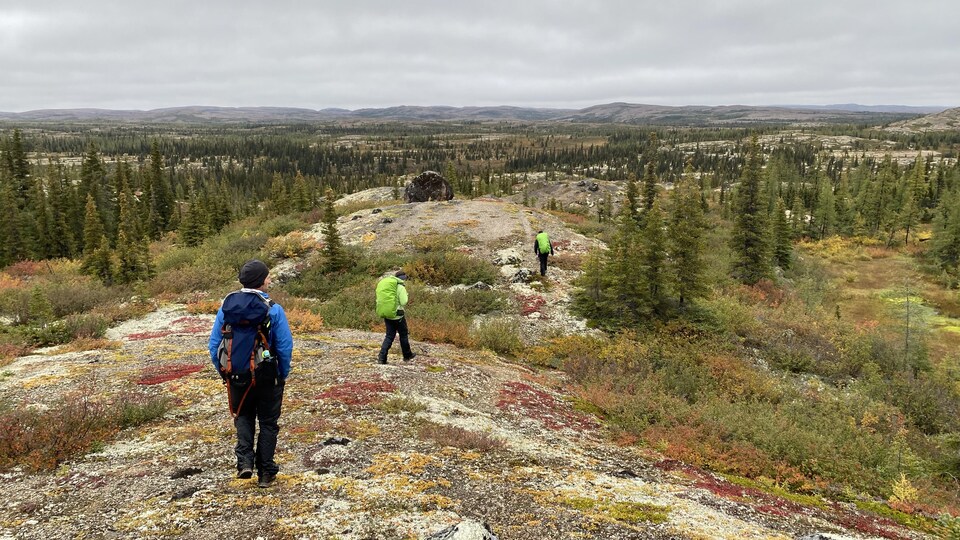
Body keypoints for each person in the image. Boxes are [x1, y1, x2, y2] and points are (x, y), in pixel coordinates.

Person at [208, 259, 293, 488]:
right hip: (266, 374)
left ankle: (245, 463)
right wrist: (282, 374)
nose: (270, 279)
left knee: (243, 416)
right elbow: (284, 346)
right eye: (268, 276)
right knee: (268, 422)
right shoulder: (273, 308)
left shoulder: (226, 307)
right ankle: (266, 473)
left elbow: (214, 344)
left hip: (236, 374)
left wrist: (224, 371)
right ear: (261, 280)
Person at [375, 270, 417, 364]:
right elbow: (404, 302)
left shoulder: (389, 285)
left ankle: (382, 358)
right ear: (403, 278)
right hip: (398, 316)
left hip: (388, 314)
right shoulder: (400, 287)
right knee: (403, 334)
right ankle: (407, 355)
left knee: (389, 336)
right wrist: (406, 295)